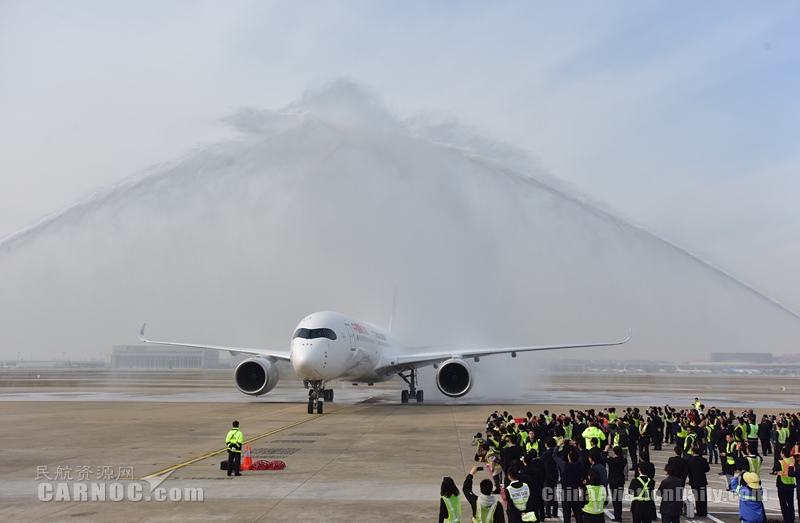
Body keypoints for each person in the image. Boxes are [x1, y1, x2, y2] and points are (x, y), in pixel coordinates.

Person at [603, 445, 627, 522]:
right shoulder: (623, 460)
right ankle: (618, 515)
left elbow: (602, 457)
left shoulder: (611, 460)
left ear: (614, 453)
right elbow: (622, 456)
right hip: (620, 481)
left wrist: (605, 450)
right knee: (619, 499)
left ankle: (617, 516)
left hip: (613, 481)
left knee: (615, 500)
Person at [686, 446, 709, 517]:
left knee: (697, 497)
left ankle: (699, 511)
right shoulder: (703, 460)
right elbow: (707, 469)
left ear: (692, 452)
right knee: (703, 497)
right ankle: (704, 511)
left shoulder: (689, 460)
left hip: (694, 480)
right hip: (702, 480)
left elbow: (687, 471)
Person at [774, 447, 796, 523]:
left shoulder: (781, 462)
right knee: (790, 502)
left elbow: (775, 469)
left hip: (782, 483)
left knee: (783, 503)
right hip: (791, 483)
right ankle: (792, 518)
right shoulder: (792, 461)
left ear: (783, 454)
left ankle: (787, 518)